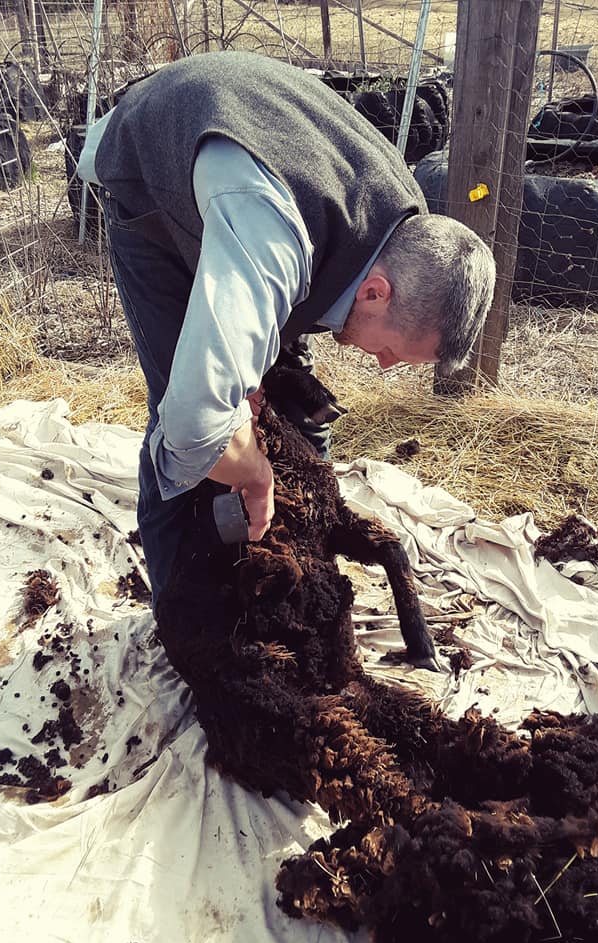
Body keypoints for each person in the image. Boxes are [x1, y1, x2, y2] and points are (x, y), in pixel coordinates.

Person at [77, 51, 496, 610]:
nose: (385, 365)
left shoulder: (398, 226)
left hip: (251, 175)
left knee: (294, 399)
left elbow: (294, 284)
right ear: (376, 292)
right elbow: (190, 425)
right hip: (151, 179)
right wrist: (253, 470)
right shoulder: (274, 241)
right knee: (178, 417)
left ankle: (305, 557)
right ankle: (181, 609)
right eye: (394, 352)